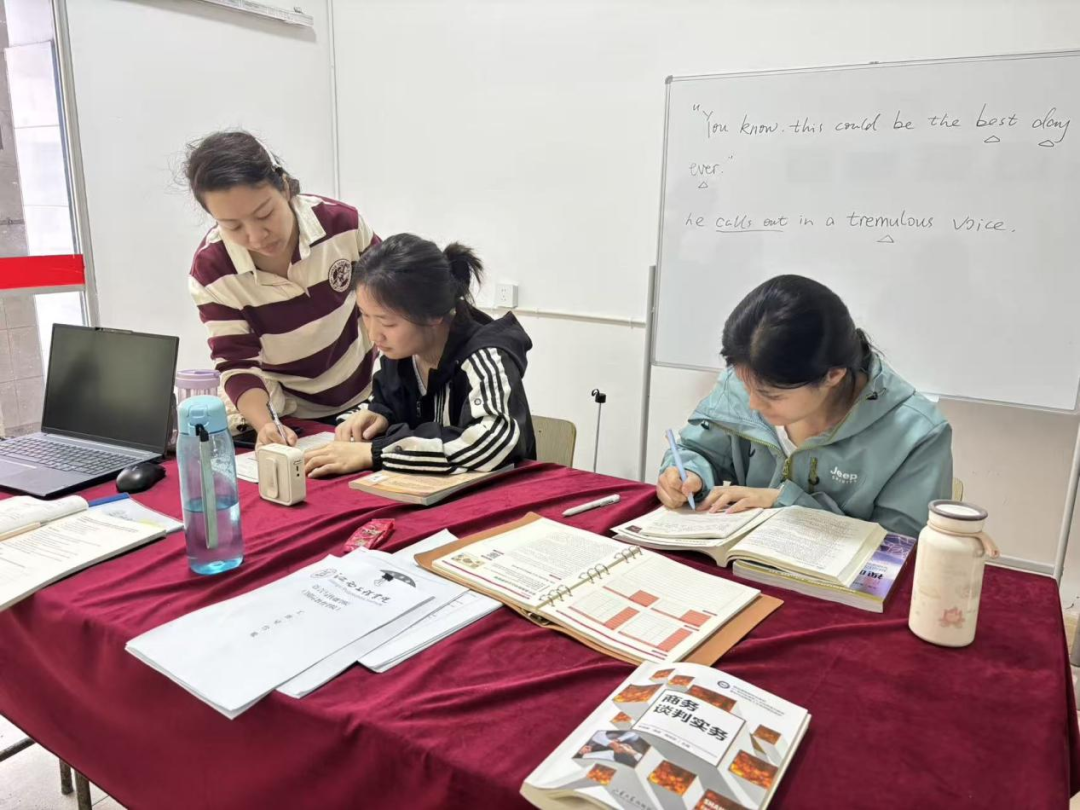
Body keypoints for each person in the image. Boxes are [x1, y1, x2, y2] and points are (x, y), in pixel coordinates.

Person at [658, 274, 952, 538]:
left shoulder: (916, 435)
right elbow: (696, 450)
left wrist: (783, 502)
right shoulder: (752, 377)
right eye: (746, 385)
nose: (752, 403)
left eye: (772, 395)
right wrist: (688, 474)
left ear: (832, 375)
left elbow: (901, 548)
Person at [185, 130, 379, 448]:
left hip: (366, 394)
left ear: (285, 187)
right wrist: (266, 426)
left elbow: (392, 300)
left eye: (265, 214)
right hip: (291, 415)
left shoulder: (341, 225)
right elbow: (236, 364)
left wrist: (390, 392)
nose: (256, 236)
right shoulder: (212, 271)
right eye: (233, 226)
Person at [303, 234, 536, 478]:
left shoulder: (486, 355)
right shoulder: (398, 356)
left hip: (499, 494)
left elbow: (496, 441)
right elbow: (387, 405)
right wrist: (376, 416)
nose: (373, 335)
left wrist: (378, 452)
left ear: (433, 315)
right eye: (365, 316)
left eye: (387, 322)